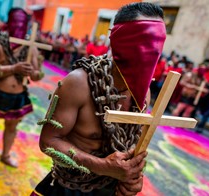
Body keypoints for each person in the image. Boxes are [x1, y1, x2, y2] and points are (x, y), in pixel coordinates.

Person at [31, 2, 166, 196]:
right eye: (144, 40)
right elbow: (48, 141)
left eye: (158, 42)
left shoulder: (145, 93)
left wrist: (132, 181)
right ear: (119, 40)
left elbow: (134, 146)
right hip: (69, 188)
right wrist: (102, 166)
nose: (152, 50)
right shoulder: (78, 83)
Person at [0, 8, 44, 173]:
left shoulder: (31, 46)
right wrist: (14, 67)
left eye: (23, 23)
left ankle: (5, 155)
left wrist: (31, 72)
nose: (19, 26)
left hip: (18, 96)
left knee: (12, 128)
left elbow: (37, 74)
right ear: (9, 23)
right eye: (16, 22)